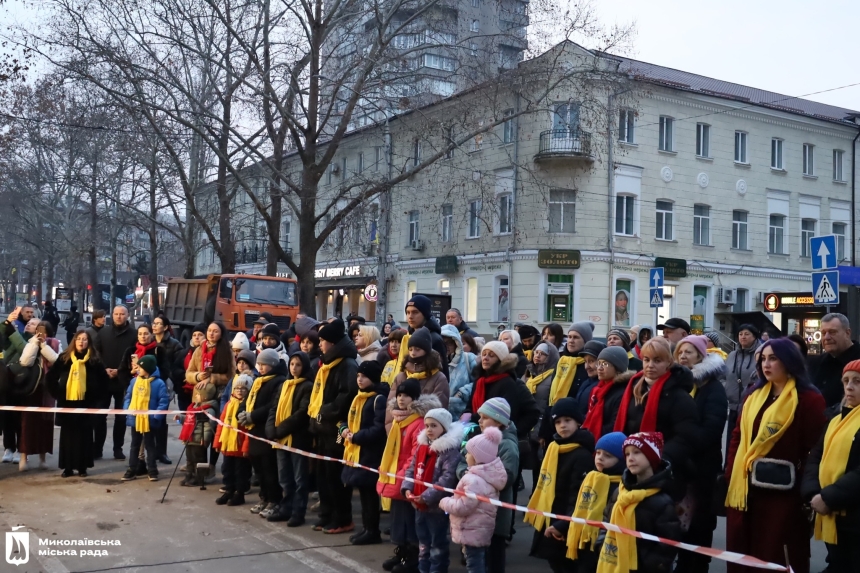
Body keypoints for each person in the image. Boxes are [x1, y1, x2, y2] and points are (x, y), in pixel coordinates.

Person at [725, 338, 827, 573]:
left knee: (777, 553)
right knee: (743, 553)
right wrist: (732, 474)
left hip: (784, 495)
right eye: (762, 359)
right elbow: (737, 437)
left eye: (773, 358)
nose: (765, 364)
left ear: (790, 362)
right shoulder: (754, 395)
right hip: (745, 490)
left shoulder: (809, 399)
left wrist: (805, 488)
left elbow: (816, 449)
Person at [612, 337, 700, 495]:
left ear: (669, 362)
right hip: (632, 465)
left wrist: (657, 458)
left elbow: (686, 438)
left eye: (657, 360)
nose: (650, 365)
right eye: (646, 360)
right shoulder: (633, 388)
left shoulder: (679, 396)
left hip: (665, 471)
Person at [673, 335, 728, 573]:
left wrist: (682, 440)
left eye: (689, 352)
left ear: (700, 356)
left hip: (702, 465)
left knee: (700, 520)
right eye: (680, 352)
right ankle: (683, 561)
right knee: (678, 518)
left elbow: (711, 430)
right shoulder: (677, 384)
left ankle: (697, 564)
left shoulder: (712, 388)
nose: (683, 356)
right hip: (679, 465)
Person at [802, 359, 860, 573]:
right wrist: (813, 492)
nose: (849, 387)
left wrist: (828, 497)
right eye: (846, 381)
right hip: (832, 513)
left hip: (852, 515)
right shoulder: (836, 419)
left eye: (857, 381)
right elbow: (816, 456)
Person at [525, 397, 595, 573]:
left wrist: (562, 524)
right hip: (550, 517)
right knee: (556, 563)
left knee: (568, 565)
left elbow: (578, 496)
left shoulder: (582, 455)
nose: (562, 425)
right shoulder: (554, 447)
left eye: (567, 420)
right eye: (558, 422)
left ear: (578, 421)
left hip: (566, 520)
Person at [377, 380, 441, 572]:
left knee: (411, 520)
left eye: (406, 395)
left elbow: (415, 455)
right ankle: (402, 550)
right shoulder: (398, 420)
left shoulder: (418, 423)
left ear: (415, 399)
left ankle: (413, 555)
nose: (401, 399)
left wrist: (403, 477)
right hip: (396, 475)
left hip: (409, 479)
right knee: (398, 518)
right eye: (399, 395)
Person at [597, 432, 682, 573]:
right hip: (612, 561)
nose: (630, 458)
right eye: (627, 454)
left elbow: (667, 544)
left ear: (651, 457)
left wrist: (649, 564)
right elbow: (606, 521)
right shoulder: (620, 491)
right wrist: (601, 545)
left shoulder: (662, 501)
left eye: (637, 452)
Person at [457, 398, 519, 573]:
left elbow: (507, 478)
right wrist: (465, 473)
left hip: (496, 515)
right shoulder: (479, 439)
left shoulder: (507, 445)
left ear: (499, 421)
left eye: (484, 417)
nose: (479, 420)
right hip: (477, 513)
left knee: (494, 559)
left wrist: (475, 475)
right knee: (476, 558)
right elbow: (462, 460)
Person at [308, 318, 359, 534]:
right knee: (323, 476)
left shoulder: (347, 365)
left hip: (336, 429)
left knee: (336, 477)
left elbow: (346, 396)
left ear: (332, 342)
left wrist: (324, 411)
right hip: (322, 429)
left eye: (322, 340)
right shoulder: (327, 364)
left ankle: (342, 518)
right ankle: (326, 515)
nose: (319, 344)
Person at [402, 408, 463, 573]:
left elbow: (447, 479)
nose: (429, 429)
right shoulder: (422, 447)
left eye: (434, 426)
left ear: (444, 427)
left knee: (437, 543)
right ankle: (423, 569)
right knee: (423, 542)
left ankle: (437, 570)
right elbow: (412, 469)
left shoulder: (449, 452)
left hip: (436, 507)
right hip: (418, 504)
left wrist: (426, 496)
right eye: (427, 425)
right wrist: (407, 488)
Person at [439, 426, 507, 573]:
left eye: (469, 453)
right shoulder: (490, 476)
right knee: (479, 560)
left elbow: (463, 506)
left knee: (474, 564)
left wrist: (445, 502)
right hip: (481, 529)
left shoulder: (473, 480)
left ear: (477, 457)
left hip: (470, 528)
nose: (466, 456)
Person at [45, 330, 109, 477]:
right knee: (68, 436)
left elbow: (104, 382)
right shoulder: (64, 358)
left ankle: (82, 467)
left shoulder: (94, 360)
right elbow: (50, 378)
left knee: (85, 436)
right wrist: (58, 393)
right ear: (74, 341)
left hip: (87, 403)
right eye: (79, 339)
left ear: (89, 343)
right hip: (67, 402)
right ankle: (67, 467)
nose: (81, 342)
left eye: (85, 339)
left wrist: (97, 399)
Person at [340, 360, 388, 545]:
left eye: (364, 376)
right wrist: (343, 430)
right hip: (356, 452)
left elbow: (378, 429)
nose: (360, 379)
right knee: (363, 493)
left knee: (369, 495)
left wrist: (357, 437)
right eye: (358, 376)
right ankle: (367, 528)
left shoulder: (378, 399)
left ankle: (372, 530)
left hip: (369, 453)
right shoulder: (357, 397)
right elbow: (345, 419)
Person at [565, 431, 627, 571]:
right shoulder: (591, 477)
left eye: (608, 455)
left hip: (603, 543)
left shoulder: (621, 486)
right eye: (598, 453)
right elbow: (579, 505)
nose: (600, 458)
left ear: (621, 460)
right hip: (582, 538)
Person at [265, 352, 313, 525]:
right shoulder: (284, 385)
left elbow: (301, 413)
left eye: (298, 365)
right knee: (284, 477)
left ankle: (298, 512)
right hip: (280, 439)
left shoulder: (307, 386)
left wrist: (280, 430)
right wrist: (271, 430)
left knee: (299, 478)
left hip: (297, 439)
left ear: (304, 367)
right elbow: (274, 408)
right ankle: (286, 508)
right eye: (292, 364)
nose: (294, 368)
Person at [238, 348, 285, 517]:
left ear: (272, 364)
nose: (260, 367)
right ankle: (264, 497)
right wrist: (242, 412)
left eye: (264, 364)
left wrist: (252, 416)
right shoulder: (258, 381)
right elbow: (247, 399)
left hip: (265, 430)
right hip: (254, 431)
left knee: (269, 469)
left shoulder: (278, 382)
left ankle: (274, 500)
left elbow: (272, 406)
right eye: (259, 364)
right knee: (258, 468)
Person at [466, 341, 539, 448]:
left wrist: (513, 433)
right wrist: (466, 414)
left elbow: (531, 413)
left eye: (491, 355)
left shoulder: (510, 383)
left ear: (501, 360)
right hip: (478, 437)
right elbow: (470, 406)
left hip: (499, 442)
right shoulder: (480, 381)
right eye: (484, 354)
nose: (485, 358)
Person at [119, 323, 172, 466]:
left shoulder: (158, 351)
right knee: (136, 434)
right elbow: (122, 372)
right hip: (136, 395)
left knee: (156, 428)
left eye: (146, 333)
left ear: (151, 335)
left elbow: (166, 370)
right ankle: (138, 462)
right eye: (140, 334)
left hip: (153, 395)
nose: (143, 336)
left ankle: (159, 454)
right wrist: (132, 377)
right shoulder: (131, 350)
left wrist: (149, 377)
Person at [93, 305, 137, 461]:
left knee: (121, 417)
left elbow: (135, 356)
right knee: (99, 417)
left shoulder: (134, 334)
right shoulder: (103, 332)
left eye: (122, 314)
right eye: (116, 314)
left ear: (128, 315)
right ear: (112, 315)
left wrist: (120, 370)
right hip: (104, 381)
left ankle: (118, 448)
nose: (119, 317)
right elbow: (96, 352)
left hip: (123, 381)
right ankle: (97, 448)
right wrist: (104, 369)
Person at [16, 321, 61, 471]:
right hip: (31, 388)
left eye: (44, 331)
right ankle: (24, 457)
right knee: (27, 424)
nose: (42, 334)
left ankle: (43, 457)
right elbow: (25, 361)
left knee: (45, 424)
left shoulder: (54, 343)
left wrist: (44, 345)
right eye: (39, 331)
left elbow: (56, 360)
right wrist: (35, 343)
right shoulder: (30, 342)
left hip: (47, 389)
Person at [121, 355, 169, 482]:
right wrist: (128, 410)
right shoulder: (134, 381)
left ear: (148, 368)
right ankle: (132, 469)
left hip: (149, 420)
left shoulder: (159, 384)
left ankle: (152, 469)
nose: (138, 369)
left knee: (150, 445)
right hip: (135, 418)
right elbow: (128, 397)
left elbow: (163, 402)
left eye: (141, 367)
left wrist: (156, 416)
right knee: (134, 445)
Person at [386, 327, 450, 424]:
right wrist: (391, 432)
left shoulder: (439, 378)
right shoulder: (401, 376)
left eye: (417, 349)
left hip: (424, 432)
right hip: (397, 431)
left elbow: (439, 412)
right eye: (410, 349)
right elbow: (389, 411)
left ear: (426, 351)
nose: (413, 353)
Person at [214, 373, 254, 506]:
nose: (240, 391)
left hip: (240, 447)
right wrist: (217, 442)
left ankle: (239, 493)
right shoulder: (228, 405)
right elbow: (221, 424)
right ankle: (229, 490)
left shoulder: (249, 406)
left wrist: (246, 447)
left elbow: (250, 430)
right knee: (227, 469)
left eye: (243, 388)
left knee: (241, 472)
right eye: (237, 388)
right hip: (228, 445)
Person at [724, 324, 762, 458]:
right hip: (733, 406)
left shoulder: (760, 355)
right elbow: (724, 375)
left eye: (747, 334)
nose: (743, 337)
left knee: (746, 441)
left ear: (754, 336)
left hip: (750, 406)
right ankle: (728, 470)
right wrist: (726, 387)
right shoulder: (732, 355)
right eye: (740, 334)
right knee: (731, 442)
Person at [581, 346, 634, 442]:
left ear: (617, 368)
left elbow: (614, 425)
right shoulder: (599, 390)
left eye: (605, 364)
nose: (600, 368)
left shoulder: (622, 392)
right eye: (599, 364)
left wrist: (588, 435)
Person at [524, 342, 560, 477]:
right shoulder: (530, 373)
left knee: (542, 465)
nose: (537, 356)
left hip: (542, 425)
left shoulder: (553, 376)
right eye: (536, 352)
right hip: (530, 424)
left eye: (542, 354)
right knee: (533, 463)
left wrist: (543, 430)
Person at [814, 313, 860, 407]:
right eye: (823, 333)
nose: (826, 337)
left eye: (832, 332)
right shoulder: (815, 363)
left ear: (847, 333)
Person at [178, 383, 218, 487]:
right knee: (189, 458)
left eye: (198, 394)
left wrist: (205, 439)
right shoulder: (193, 407)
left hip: (199, 438)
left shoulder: (208, 409)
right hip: (190, 437)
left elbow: (209, 426)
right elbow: (189, 419)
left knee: (198, 459)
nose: (195, 396)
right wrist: (181, 418)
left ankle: (199, 477)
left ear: (205, 396)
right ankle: (189, 474)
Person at [403, 295, 449, 380]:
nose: (410, 316)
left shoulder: (434, 339)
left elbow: (443, 376)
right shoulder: (407, 336)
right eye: (408, 312)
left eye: (415, 312)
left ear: (425, 314)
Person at [553, 322, 594, 406]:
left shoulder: (589, 365)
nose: (571, 341)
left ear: (585, 341)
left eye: (576, 337)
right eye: (569, 337)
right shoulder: (561, 360)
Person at [440, 324, 476, 419]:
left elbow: (479, 381)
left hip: (463, 415)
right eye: (443, 343)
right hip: (439, 416)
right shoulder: (434, 362)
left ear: (456, 343)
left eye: (449, 343)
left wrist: (462, 393)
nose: (446, 347)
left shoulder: (469, 358)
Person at [174, 323, 207, 414]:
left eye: (200, 335)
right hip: (185, 392)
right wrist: (185, 376)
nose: (196, 337)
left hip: (202, 392)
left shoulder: (209, 353)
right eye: (194, 335)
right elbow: (175, 368)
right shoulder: (184, 353)